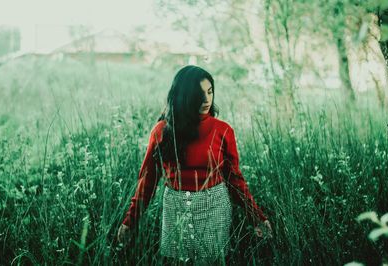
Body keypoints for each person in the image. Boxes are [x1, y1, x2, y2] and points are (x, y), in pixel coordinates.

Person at [117, 65, 273, 264]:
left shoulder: (223, 130)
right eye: (200, 93)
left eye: (210, 92)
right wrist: (130, 220)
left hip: (214, 207)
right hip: (175, 208)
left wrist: (256, 216)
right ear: (184, 96)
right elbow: (147, 180)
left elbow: (235, 179)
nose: (207, 99)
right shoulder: (162, 130)